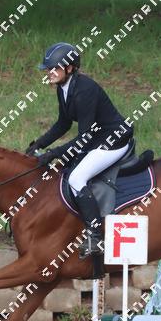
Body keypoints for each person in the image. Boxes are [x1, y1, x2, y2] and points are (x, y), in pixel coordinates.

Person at [26, 42, 134, 258]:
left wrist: (54, 153)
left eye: (54, 68)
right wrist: (39, 144)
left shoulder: (85, 90)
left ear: (69, 68)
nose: (49, 72)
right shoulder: (63, 87)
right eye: (48, 69)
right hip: (97, 138)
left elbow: (84, 137)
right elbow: (63, 123)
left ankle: (95, 237)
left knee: (76, 178)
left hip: (113, 140)